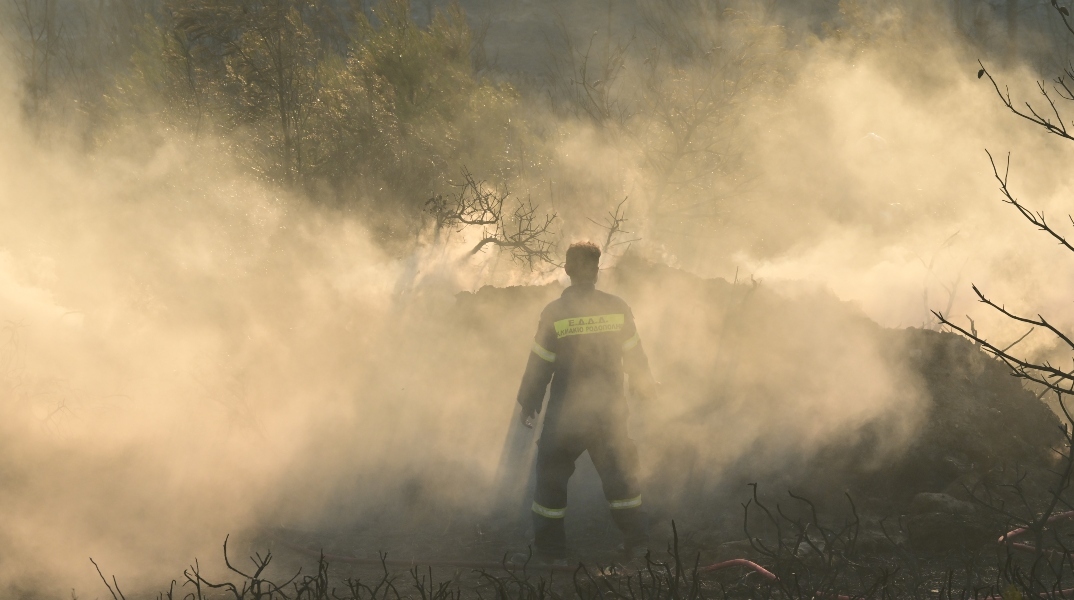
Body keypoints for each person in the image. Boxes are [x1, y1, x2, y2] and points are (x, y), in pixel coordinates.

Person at [514, 241, 657, 566]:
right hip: (609, 414)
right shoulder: (618, 308)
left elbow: (540, 363)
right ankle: (638, 546)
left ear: (566, 270)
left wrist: (529, 403)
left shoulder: (555, 313)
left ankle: (551, 555)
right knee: (621, 479)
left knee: (551, 479)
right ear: (596, 271)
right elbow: (635, 355)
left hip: (566, 416)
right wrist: (646, 389)